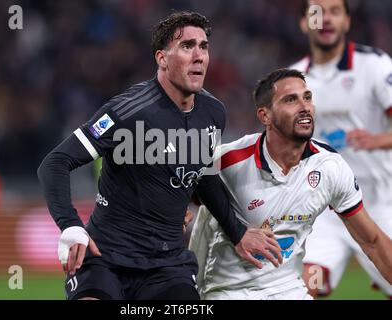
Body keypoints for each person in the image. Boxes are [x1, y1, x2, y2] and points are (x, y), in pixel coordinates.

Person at [37, 11, 282, 300]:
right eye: (187, 46)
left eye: (203, 47)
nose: (199, 55)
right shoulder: (127, 111)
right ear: (161, 59)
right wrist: (71, 225)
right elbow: (55, 162)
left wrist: (238, 232)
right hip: (105, 257)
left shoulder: (213, 113)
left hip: (167, 267)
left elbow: (203, 176)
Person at [189, 68, 392, 300]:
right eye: (290, 100)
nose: (305, 107)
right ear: (265, 116)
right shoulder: (229, 161)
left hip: (289, 291)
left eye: (307, 97)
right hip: (227, 291)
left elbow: (372, 241)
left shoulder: (330, 167)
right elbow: (169, 192)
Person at [290, 0, 392, 298]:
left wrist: (377, 139)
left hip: (378, 205)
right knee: (306, 288)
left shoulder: (376, 66)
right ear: (303, 23)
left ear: (347, 21)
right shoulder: (291, 79)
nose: (326, 19)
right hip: (324, 212)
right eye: (316, 13)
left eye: (335, 11)